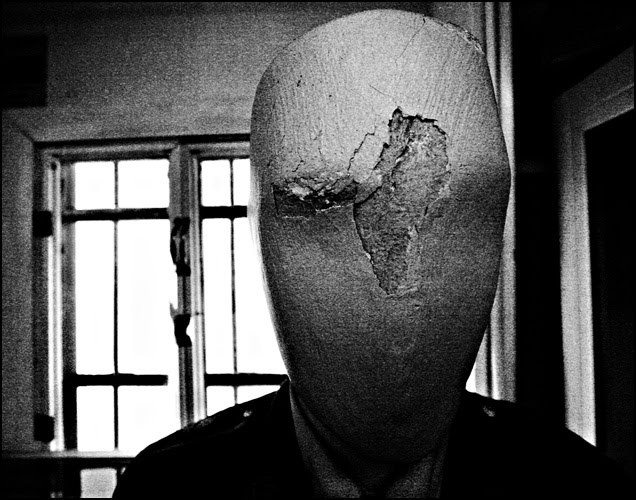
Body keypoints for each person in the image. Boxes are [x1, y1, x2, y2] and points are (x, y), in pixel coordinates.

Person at [113, 10, 631, 498]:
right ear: (262, 245)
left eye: (465, 211)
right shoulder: (170, 487)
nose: (401, 304)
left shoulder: (575, 482)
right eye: (321, 209)